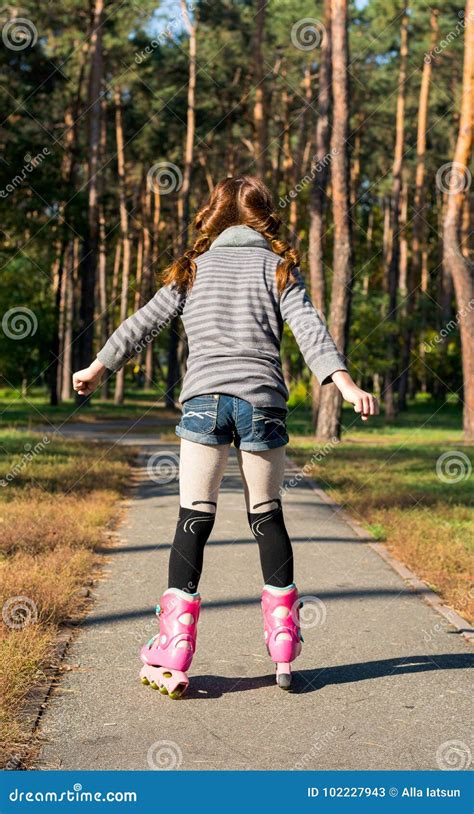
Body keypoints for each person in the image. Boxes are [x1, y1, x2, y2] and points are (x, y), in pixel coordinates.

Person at [73, 175, 379, 697]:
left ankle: (174, 645)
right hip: (263, 403)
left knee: (194, 517)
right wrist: (344, 384)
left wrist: (98, 367)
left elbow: (142, 323)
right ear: (264, 218)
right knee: (267, 516)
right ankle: (283, 642)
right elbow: (309, 328)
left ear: (211, 218)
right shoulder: (277, 268)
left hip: (204, 402)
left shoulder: (193, 269)